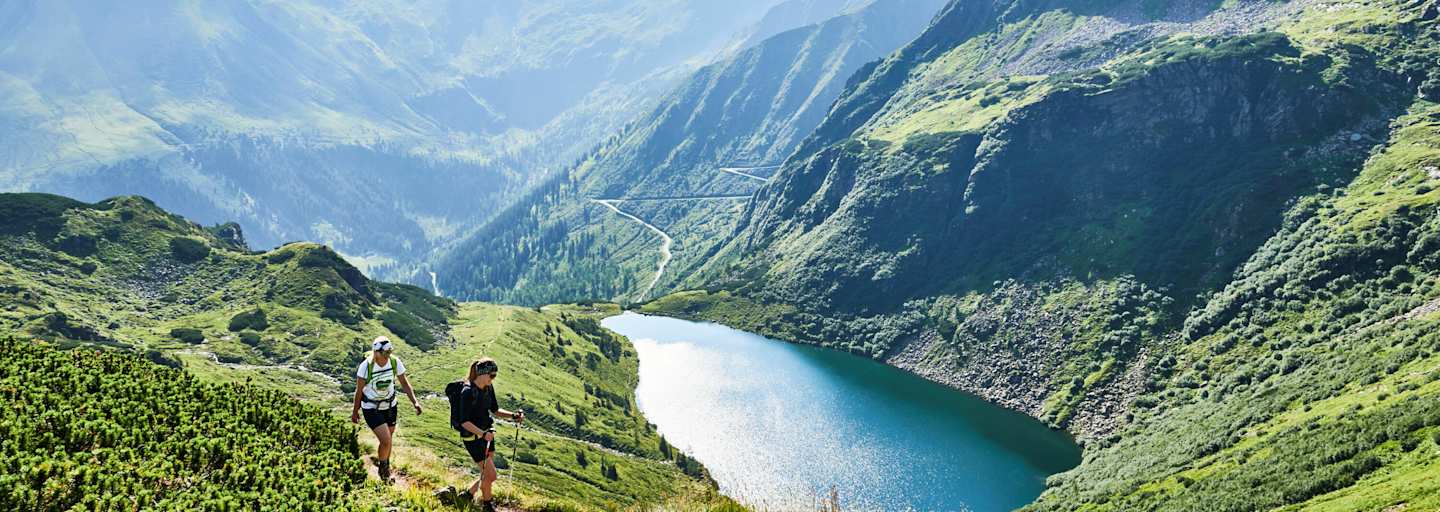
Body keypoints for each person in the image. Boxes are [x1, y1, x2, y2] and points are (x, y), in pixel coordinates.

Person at [451, 357, 524, 512]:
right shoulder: (467, 392)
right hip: (473, 438)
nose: (493, 379)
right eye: (492, 375)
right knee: (491, 475)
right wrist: (483, 434)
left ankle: (468, 495)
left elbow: (495, 410)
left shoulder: (488, 388)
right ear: (482, 374)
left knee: (487, 473)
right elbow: (465, 422)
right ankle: (487, 505)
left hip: (487, 436)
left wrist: (513, 416)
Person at [350, 336, 421, 482]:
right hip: (371, 408)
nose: (387, 356)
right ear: (375, 352)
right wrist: (355, 411)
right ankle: (384, 474)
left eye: (389, 352)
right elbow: (359, 391)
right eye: (384, 353)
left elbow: (404, 383)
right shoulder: (366, 366)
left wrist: (415, 402)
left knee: (388, 440)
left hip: (390, 406)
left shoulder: (395, 362)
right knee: (386, 440)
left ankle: (385, 465)